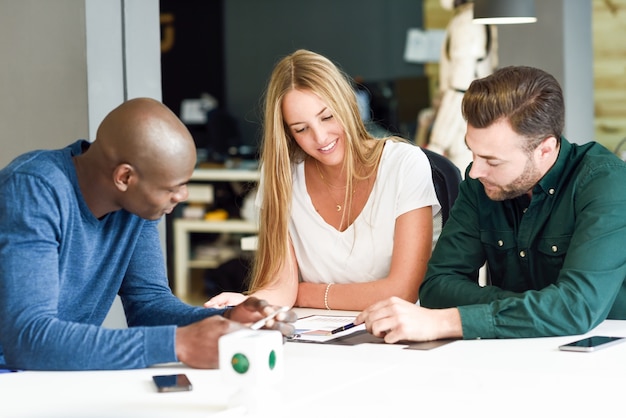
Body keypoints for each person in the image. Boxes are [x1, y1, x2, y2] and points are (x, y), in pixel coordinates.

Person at [0, 97, 295, 371]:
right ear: (125, 177)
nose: (183, 196)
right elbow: (27, 339)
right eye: (172, 187)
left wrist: (226, 318)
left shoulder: (133, 205)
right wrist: (178, 343)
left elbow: (149, 306)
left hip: (47, 376)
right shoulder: (33, 191)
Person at [356, 66, 626, 343]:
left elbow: (575, 307)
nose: (474, 171)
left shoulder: (606, 183)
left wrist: (450, 321)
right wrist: (541, 307)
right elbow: (437, 286)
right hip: (504, 353)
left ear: (545, 149)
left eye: (493, 160)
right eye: (473, 152)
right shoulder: (481, 183)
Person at [205, 49, 441, 311]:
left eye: (327, 117)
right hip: (320, 336)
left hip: (399, 335)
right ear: (287, 133)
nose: (320, 138)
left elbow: (402, 291)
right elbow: (283, 288)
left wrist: (305, 294)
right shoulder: (284, 178)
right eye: (301, 129)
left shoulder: (405, 164)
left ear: (347, 105)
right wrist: (249, 302)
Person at [427, 0, 498, 174]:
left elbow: (460, 87)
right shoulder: (477, 17)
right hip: (477, 114)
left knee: (464, 178)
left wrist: (437, 142)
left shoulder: (466, 24)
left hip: (463, 122)